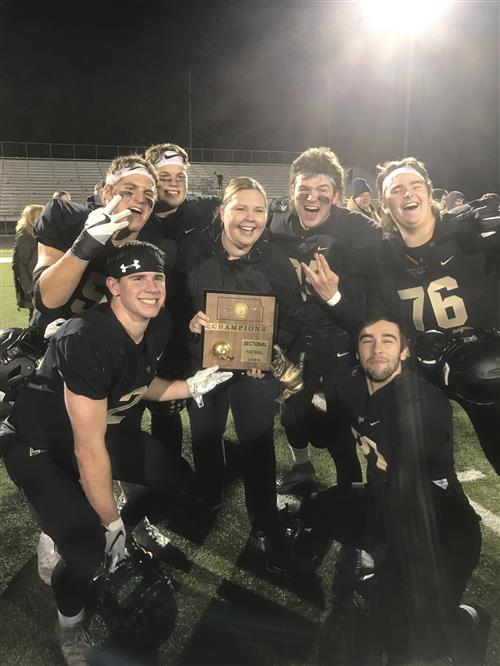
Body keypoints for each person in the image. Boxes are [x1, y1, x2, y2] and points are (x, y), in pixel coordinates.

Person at [2, 241, 231, 665]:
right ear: (113, 286)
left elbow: (136, 383)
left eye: (157, 277)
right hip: (43, 445)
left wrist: (188, 386)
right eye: (136, 278)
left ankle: (88, 520)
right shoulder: (87, 337)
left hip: (96, 430)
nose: (150, 287)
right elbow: (88, 450)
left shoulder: (157, 323)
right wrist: (109, 524)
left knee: (175, 479)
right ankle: (70, 621)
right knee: (88, 547)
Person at [299, 316, 484, 665]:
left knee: (413, 648)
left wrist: (387, 558)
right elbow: (323, 434)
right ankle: (382, 587)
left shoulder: (425, 402)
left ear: (404, 351)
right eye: (367, 340)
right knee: (313, 507)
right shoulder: (348, 386)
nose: (377, 348)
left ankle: (463, 618)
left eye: (388, 339)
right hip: (385, 503)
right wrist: (295, 393)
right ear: (356, 350)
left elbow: (408, 462)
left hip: (440, 529)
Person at [169, 177, 304, 568]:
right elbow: (169, 305)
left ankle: (263, 519)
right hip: (203, 365)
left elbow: (292, 319)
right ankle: (208, 495)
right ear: (222, 211)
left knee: (258, 443)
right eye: (240, 208)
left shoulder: (277, 262)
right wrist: (187, 324)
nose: (250, 218)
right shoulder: (191, 252)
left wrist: (270, 354)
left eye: (258, 210)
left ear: (267, 215)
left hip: (253, 372)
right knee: (206, 437)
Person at [370, 157, 500, 473]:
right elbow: (378, 319)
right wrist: (411, 342)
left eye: (416, 186)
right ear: (385, 205)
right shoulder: (380, 257)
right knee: (415, 466)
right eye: (396, 189)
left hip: (487, 362)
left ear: (429, 194)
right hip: (424, 369)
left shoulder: (471, 235)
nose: (408, 194)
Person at [268, 146, 381, 492]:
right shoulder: (276, 226)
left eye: (322, 191)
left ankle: (350, 493)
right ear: (292, 192)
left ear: (337, 194)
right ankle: (302, 468)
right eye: (304, 191)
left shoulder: (361, 231)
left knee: (339, 431)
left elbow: (371, 308)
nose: (312, 198)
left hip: (342, 340)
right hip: (296, 341)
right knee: (292, 418)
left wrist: (335, 296)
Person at [11, 204, 44, 318]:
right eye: (41, 216)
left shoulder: (37, 234)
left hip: (40, 285)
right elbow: (20, 266)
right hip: (33, 287)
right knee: (36, 318)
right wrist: (30, 290)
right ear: (31, 217)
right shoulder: (25, 237)